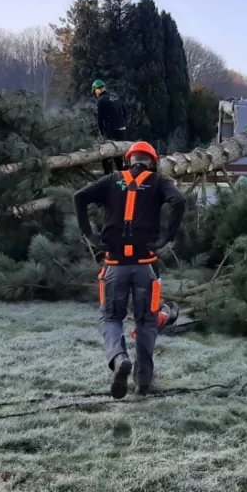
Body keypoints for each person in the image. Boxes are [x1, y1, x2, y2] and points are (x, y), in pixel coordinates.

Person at [74, 141, 186, 399]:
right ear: (153, 162)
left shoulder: (113, 180)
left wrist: (89, 234)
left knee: (112, 318)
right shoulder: (159, 182)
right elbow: (178, 202)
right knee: (147, 322)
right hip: (146, 266)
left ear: (129, 160)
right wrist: (167, 237)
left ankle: (119, 359)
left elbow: (79, 197)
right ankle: (143, 381)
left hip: (114, 266)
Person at [92, 80, 127, 175]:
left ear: (96, 90)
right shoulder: (115, 96)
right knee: (119, 154)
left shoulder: (101, 101)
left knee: (106, 153)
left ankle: (108, 176)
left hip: (111, 130)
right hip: (122, 129)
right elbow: (125, 111)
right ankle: (123, 176)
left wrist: (101, 132)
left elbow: (100, 119)